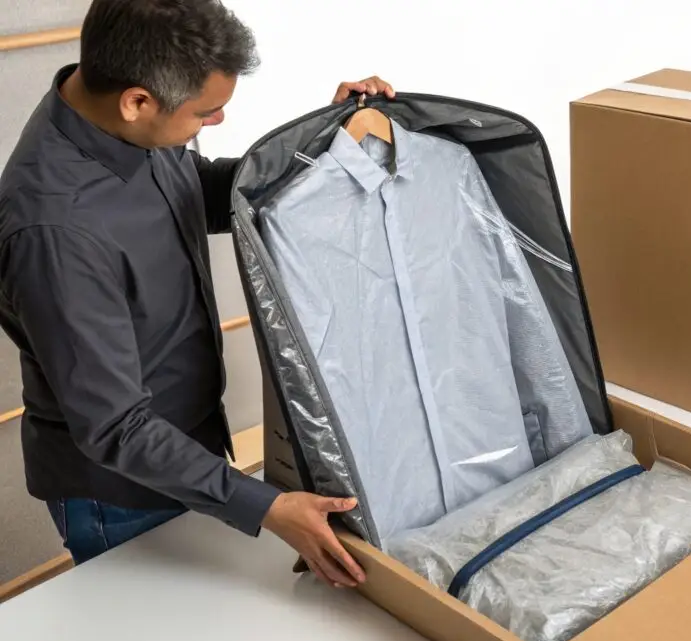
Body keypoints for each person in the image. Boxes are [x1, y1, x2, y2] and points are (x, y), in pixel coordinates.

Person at [0, 0, 395, 589]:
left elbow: (198, 191)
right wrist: (264, 507)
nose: (215, 124)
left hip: (190, 448)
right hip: (122, 493)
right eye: (205, 114)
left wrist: (322, 140)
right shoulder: (54, 232)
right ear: (138, 102)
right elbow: (116, 428)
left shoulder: (118, 119)